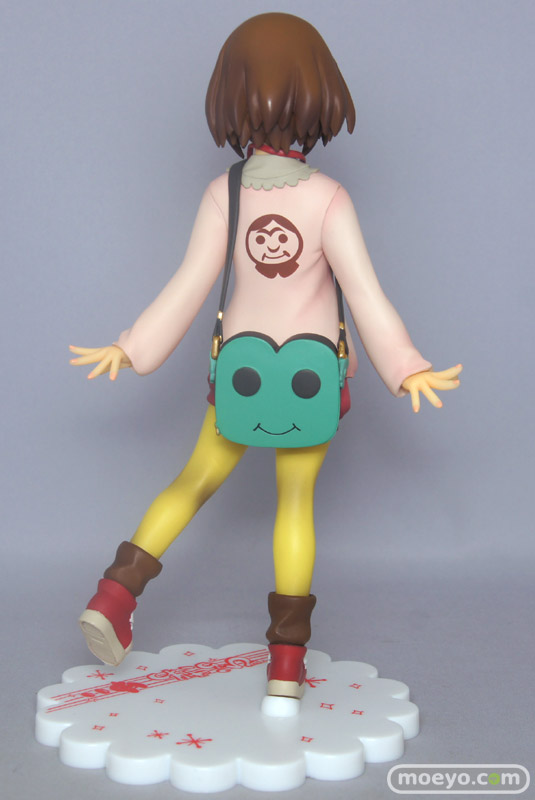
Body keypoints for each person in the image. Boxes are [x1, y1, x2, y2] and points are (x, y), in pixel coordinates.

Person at [70, 13, 461, 710]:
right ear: (319, 97)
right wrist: (405, 365)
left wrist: (134, 345)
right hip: (306, 380)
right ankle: (285, 665)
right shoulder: (327, 198)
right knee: (296, 504)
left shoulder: (224, 193)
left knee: (192, 481)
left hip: (241, 376)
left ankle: (115, 594)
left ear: (231, 98)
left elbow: (189, 286)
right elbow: (365, 294)